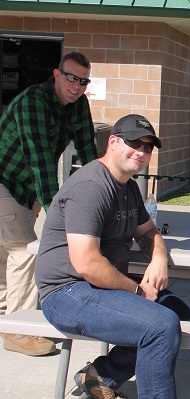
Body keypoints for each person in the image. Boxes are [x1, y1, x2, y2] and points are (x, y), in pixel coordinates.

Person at [34, 114, 190, 399]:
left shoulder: (129, 187)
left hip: (98, 288)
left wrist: (158, 256)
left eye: (148, 147)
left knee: (180, 313)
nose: (141, 152)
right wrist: (137, 290)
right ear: (113, 141)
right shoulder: (91, 187)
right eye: (135, 143)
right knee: (160, 326)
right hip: (66, 292)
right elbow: (87, 264)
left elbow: (149, 232)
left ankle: (100, 377)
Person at [0, 52, 97, 356]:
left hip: (25, 189)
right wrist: (61, 211)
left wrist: (104, 191)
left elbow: (88, 149)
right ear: (56, 74)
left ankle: (7, 310)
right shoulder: (33, 102)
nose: (76, 85)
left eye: (83, 81)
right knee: (24, 250)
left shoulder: (78, 104)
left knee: (7, 252)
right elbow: (40, 160)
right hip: (5, 181)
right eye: (71, 77)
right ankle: (18, 329)